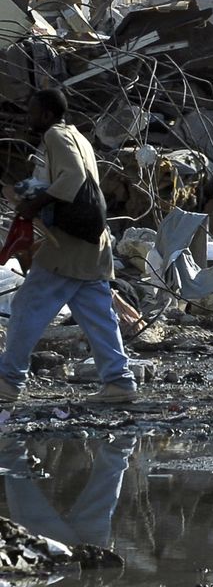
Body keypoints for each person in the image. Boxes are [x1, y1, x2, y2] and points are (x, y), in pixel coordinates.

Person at [0, 89, 138, 404]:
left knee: (26, 307)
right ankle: (119, 381)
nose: (29, 118)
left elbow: (72, 178)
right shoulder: (78, 137)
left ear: (47, 115)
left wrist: (34, 206)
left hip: (68, 245)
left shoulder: (55, 137)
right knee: (99, 316)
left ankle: (8, 381)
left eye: (33, 112)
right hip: (93, 243)